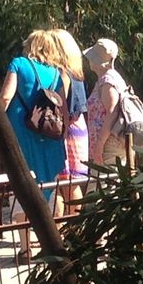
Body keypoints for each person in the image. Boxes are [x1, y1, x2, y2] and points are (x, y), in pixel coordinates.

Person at [0, 29, 68, 259]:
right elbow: (63, 107)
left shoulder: (18, 64)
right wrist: (62, 132)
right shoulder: (57, 73)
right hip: (50, 135)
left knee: (21, 182)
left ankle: (25, 247)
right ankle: (53, 241)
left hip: (21, 133)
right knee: (50, 185)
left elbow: (6, 97)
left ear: (31, 46)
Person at [50, 28, 89, 216]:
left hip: (65, 130)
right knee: (72, 183)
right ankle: (75, 228)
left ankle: (62, 228)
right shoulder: (77, 72)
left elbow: (61, 105)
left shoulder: (61, 74)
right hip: (79, 127)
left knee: (61, 183)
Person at [84, 37, 129, 171]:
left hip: (108, 144)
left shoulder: (108, 81)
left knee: (103, 186)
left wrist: (100, 144)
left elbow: (112, 113)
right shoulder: (107, 79)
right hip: (109, 141)